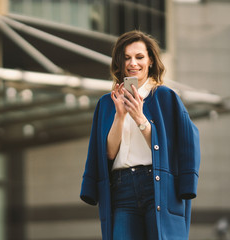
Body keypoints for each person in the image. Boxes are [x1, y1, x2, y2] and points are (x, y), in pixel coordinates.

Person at [80, 30, 200, 240]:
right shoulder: (107, 103)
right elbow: (108, 154)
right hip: (122, 189)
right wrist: (120, 115)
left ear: (151, 61)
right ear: (119, 62)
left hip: (156, 186)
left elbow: (186, 142)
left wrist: (139, 119)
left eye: (139, 57)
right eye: (126, 57)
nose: (132, 63)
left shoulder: (165, 97)